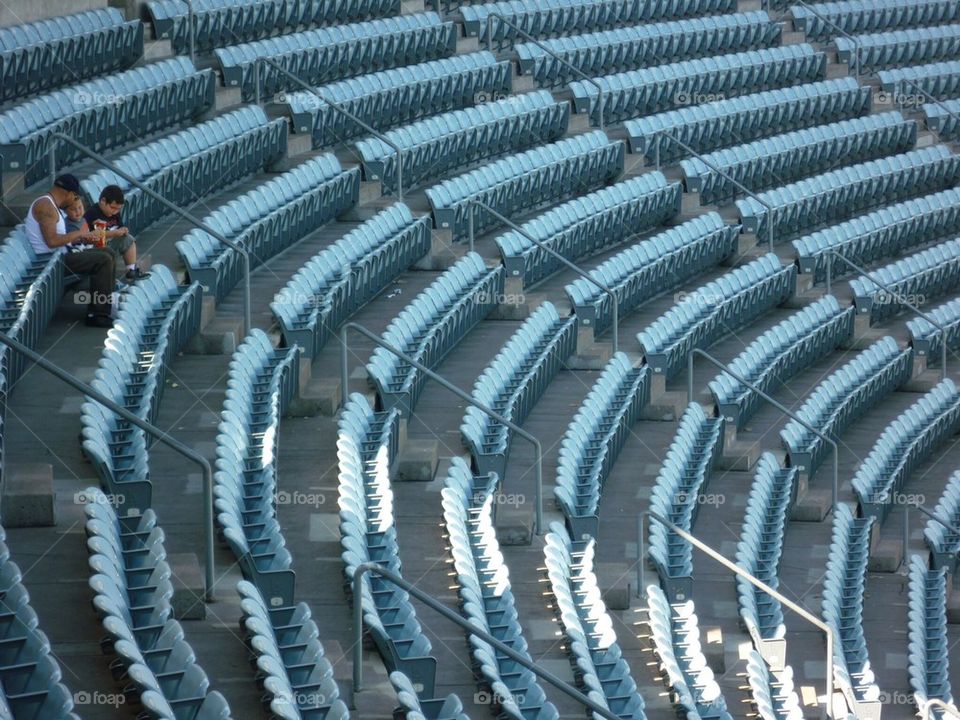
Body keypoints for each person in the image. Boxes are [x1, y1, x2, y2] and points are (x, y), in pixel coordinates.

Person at [25, 174, 116, 328]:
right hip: (50, 263)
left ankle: (107, 304)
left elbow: (61, 238)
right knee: (104, 260)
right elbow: (52, 241)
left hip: (60, 256)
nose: (74, 199)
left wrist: (85, 238)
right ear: (68, 193)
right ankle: (97, 314)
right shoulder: (45, 206)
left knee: (108, 252)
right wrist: (80, 233)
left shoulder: (52, 205)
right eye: (75, 195)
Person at [83, 185, 150, 283]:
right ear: (103, 201)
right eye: (113, 208)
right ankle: (107, 279)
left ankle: (131, 270)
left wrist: (123, 230)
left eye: (118, 209)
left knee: (128, 238)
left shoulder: (115, 213)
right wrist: (114, 233)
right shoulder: (93, 213)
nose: (115, 212)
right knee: (105, 249)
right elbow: (92, 238)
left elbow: (119, 227)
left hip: (109, 244)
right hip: (93, 249)